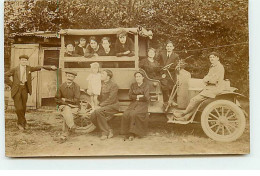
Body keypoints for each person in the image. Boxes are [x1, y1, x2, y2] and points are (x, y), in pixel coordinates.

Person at [4, 54, 57, 131]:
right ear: (20, 61)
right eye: (22, 60)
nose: (24, 61)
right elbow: (4, 76)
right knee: (19, 108)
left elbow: (39, 67)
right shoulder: (15, 69)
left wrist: (50, 68)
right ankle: (22, 122)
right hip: (16, 90)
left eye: (25, 60)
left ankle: (21, 123)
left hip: (25, 89)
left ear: (27, 61)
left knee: (24, 107)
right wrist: (12, 84)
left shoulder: (29, 68)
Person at [174, 52, 225, 120]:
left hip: (214, 89)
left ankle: (183, 113)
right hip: (210, 88)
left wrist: (206, 80)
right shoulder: (213, 66)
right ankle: (186, 117)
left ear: (217, 58)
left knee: (193, 100)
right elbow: (208, 76)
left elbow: (214, 80)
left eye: (213, 57)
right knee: (197, 102)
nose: (211, 59)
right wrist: (206, 79)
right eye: (210, 57)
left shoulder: (218, 67)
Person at [90, 69, 120, 140]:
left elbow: (111, 99)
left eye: (103, 74)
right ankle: (109, 129)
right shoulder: (99, 84)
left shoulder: (113, 85)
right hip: (103, 107)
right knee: (92, 116)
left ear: (108, 77)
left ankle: (104, 133)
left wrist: (100, 105)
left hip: (112, 106)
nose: (101, 75)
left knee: (98, 112)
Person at [120, 71, 150, 140]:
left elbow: (146, 97)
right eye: (136, 77)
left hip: (142, 104)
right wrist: (138, 96)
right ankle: (127, 133)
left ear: (143, 77)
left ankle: (133, 133)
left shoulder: (146, 85)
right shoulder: (133, 85)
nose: (138, 78)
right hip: (133, 103)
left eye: (139, 76)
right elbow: (130, 96)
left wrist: (136, 96)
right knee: (126, 114)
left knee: (134, 114)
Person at [55, 71, 81, 137]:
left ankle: (65, 132)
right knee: (67, 109)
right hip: (63, 106)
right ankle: (72, 126)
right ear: (66, 76)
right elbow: (57, 99)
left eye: (71, 77)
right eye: (68, 76)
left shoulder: (76, 87)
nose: (69, 78)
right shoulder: (61, 86)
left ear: (74, 78)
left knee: (67, 112)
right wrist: (64, 103)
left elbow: (76, 100)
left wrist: (66, 100)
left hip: (74, 106)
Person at [157, 41, 180, 105]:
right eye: (168, 46)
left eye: (170, 46)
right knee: (164, 86)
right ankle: (165, 101)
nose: (169, 48)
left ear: (173, 47)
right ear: (166, 47)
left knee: (173, 86)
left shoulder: (175, 56)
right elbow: (157, 63)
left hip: (171, 74)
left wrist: (170, 68)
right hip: (162, 73)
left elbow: (176, 65)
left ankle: (173, 101)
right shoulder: (162, 54)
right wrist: (161, 70)